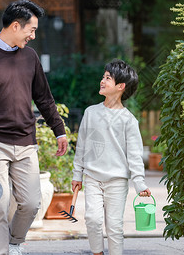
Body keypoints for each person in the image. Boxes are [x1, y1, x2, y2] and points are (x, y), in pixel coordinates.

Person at [0, 0, 68, 255]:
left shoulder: (29, 57)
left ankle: (15, 242)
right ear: (16, 26)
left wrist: (59, 129)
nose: (33, 36)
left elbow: (44, 97)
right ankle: (1, 253)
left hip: (26, 143)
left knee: (31, 203)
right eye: (31, 30)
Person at [72, 59, 151, 255]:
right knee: (93, 219)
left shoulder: (128, 120)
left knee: (114, 227)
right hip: (92, 177)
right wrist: (77, 174)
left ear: (120, 87)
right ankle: (97, 253)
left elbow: (134, 155)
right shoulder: (90, 113)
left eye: (108, 78)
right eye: (103, 76)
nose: (102, 80)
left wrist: (139, 183)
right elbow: (81, 146)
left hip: (117, 180)